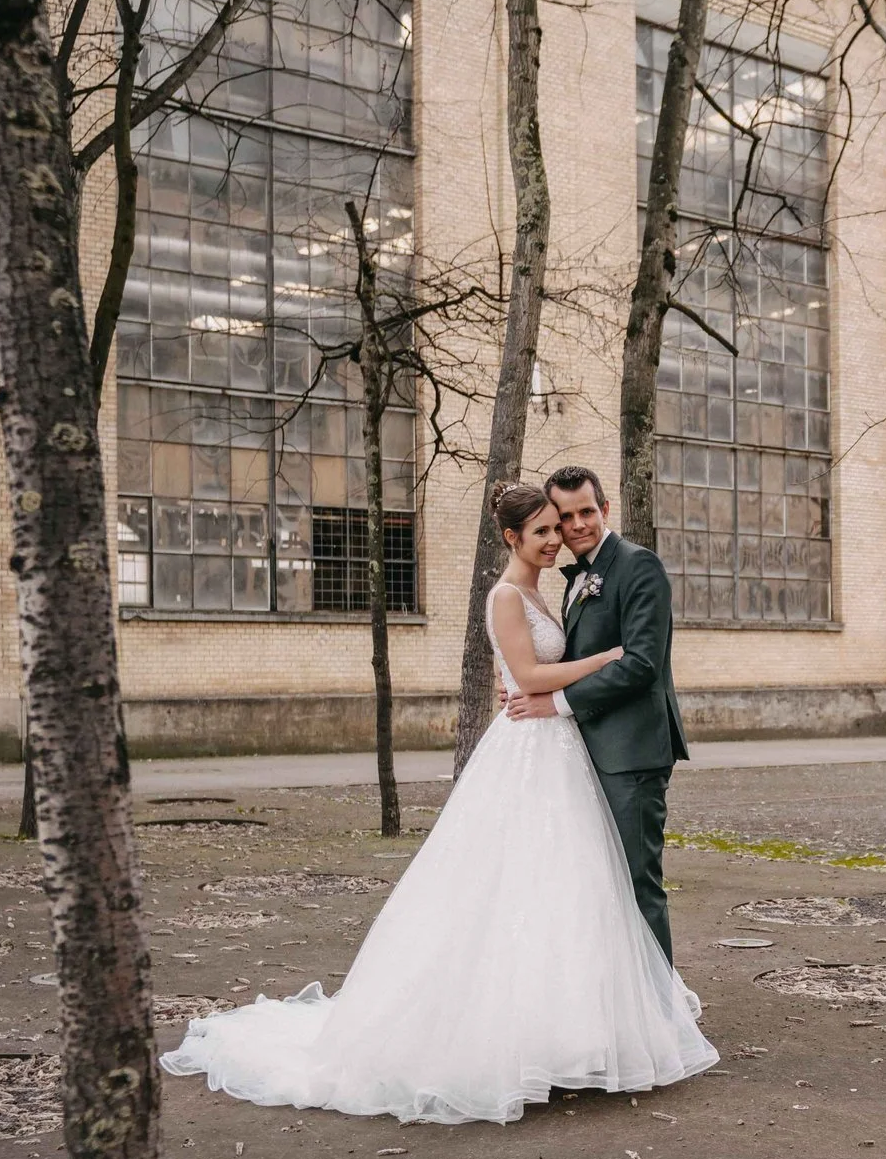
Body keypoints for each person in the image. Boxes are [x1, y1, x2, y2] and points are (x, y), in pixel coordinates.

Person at [159, 482, 716, 1124]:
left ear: (604, 511)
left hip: (574, 747)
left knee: (601, 886)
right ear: (514, 538)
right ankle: (561, 1030)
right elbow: (529, 677)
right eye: (549, 526)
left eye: (572, 519)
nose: (561, 533)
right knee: (533, 888)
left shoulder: (578, 579)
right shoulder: (512, 594)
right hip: (538, 748)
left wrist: (573, 682)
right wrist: (593, 665)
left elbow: (623, 664)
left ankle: (625, 1019)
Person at [503, 466, 689, 959]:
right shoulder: (570, 580)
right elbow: (564, 658)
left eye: (587, 511)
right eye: (565, 517)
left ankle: (659, 1010)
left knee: (637, 883)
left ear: (605, 510)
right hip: (584, 752)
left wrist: (555, 702)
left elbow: (642, 664)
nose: (578, 524)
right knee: (597, 885)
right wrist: (523, 684)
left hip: (631, 754)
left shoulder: (638, 566)